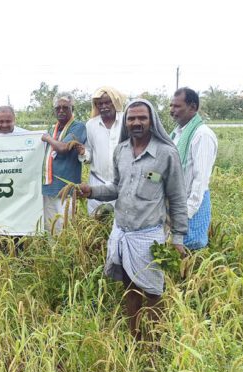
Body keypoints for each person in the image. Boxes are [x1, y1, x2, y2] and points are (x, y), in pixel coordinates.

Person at [78, 99, 188, 340]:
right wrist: (92, 191)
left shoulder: (166, 154)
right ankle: (135, 337)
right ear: (125, 122)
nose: (136, 122)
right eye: (132, 118)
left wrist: (178, 237)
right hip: (122, 233)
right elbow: (117, 187)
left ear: (152, 121)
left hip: (147, 236)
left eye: (142, 118)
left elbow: (177, 197)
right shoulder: (122, 151)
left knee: (153, 292)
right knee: (129, 287)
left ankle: (156, 343)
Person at [169, 87, 218, 250]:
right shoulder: (177, 134)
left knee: (190, 251)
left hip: (191, 206)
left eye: (177, 106)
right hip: (176, 203)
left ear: (193, 107)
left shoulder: (202, 135)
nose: (172, 110)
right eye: (171, 106)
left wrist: (187, 212)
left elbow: (200, 180)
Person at [40, 93, 87, 234]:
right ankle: (53, 256)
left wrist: (48, 138)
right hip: (48, 187)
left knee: (66, 229)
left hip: (66, 189)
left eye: (65, 108)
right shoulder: (51, 129)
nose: (61, 111)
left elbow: (63, 148)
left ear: (72, 108)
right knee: (50, 228)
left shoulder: (78, 127)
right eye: (58, 108)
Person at [78, 86, 126, 216]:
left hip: (123, 184)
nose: (103, 106)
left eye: (107, 102)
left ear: (115, 102)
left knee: (120, 225)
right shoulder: (91, 125)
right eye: (100, 104)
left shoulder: (126, 120)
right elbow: (89, 154)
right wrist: (84, 153)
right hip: (98, 183)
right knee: (97, 223)